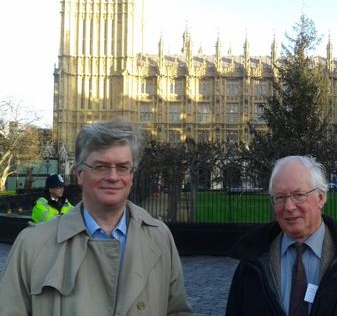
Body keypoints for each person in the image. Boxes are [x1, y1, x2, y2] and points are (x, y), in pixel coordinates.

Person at [0, 118, 193, 316]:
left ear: (132, 175)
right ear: (80, 174)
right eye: (101, 166)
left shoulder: (160, 238)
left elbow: (177, 310)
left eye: (123, 167)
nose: (113, 176)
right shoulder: (31, 246)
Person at [225, 155, 337, 316]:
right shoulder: (251, 266)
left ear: (321, 198)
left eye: (299, 195)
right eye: (280, 197)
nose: (288, 206)